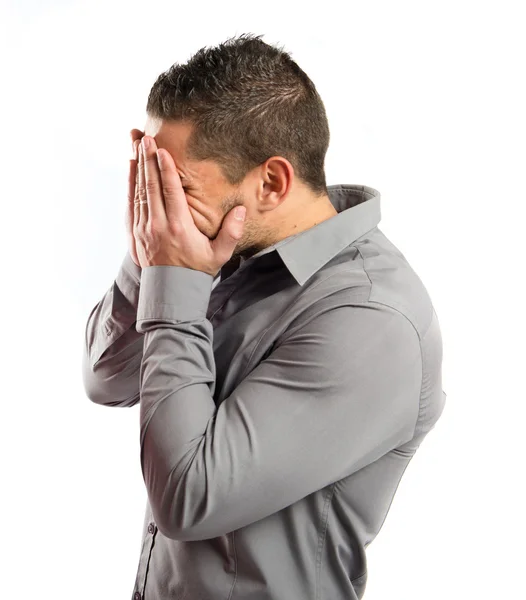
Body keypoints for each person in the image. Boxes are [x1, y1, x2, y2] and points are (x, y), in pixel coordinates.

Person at [82, 32, 446, 600]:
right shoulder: (221, 245)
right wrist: (147, 248)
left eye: (175, 185)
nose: (162, 204)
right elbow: (107, 379)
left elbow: (187, 496)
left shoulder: (370, 318)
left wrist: (173, 276)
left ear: (271, 182)